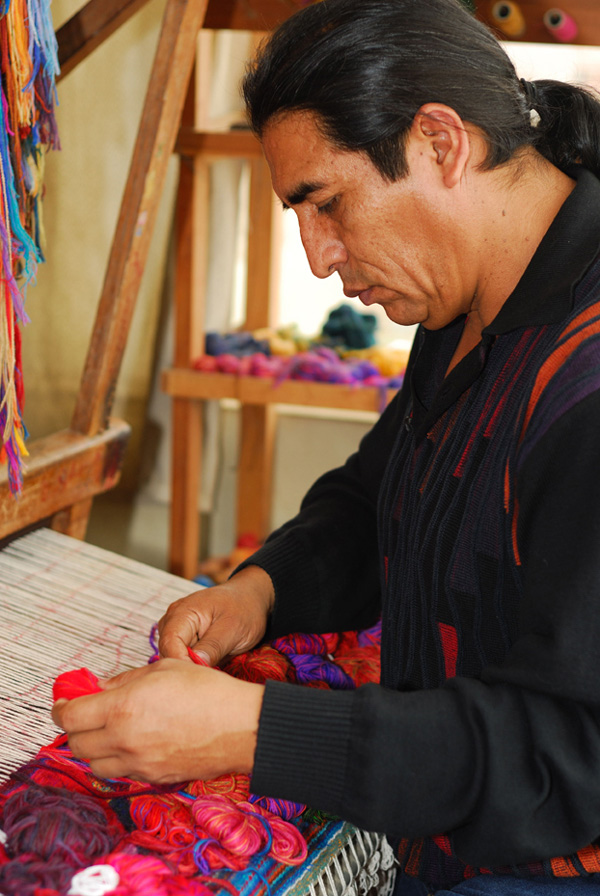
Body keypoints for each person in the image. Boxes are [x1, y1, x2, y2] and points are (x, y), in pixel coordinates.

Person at [53, 0, 600, 893]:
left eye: (330, 204)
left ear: (440, 143)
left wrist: (253, 733)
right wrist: (259, 593)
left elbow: (569, 760)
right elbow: (380, 494)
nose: (317, 258)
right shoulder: (468, 301)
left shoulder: (584, 383)